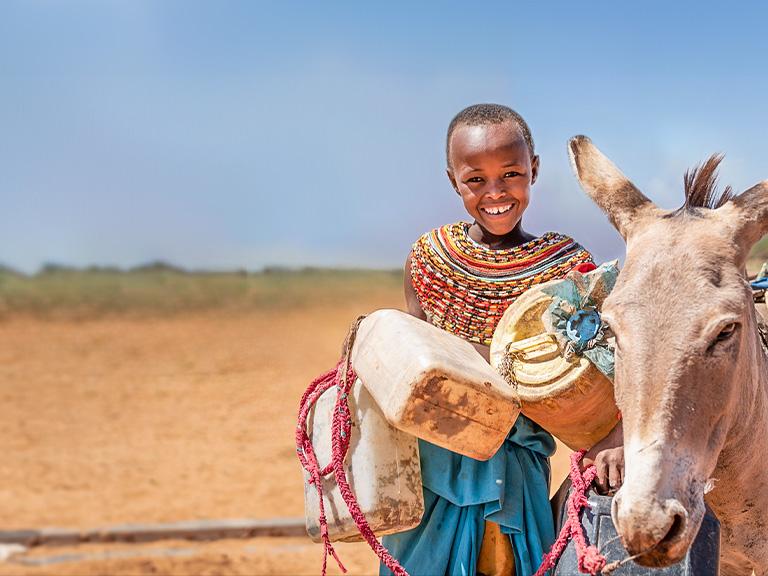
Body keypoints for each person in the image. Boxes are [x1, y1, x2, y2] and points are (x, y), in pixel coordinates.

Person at [382, 104, 624, 576]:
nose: (495, 192)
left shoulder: (568, 267)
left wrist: (611, 436)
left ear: (534, 169)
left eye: (511, 174)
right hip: (434, 469)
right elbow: (418, 372)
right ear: (453, 179)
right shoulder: (431, 259)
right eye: (475, 180)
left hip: (519, 468)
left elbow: (605, 371)